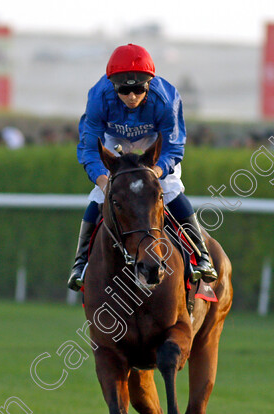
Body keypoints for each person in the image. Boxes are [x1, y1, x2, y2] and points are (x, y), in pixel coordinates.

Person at [67, 43, 217, 291]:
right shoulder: (98, 97)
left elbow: (173, 146)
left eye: (138, 89)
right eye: (124, 91)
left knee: (169, 190)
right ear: (112, 85)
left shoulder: (166, 100)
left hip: (153, 139)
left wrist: (156, 173)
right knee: (98, 195)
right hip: (113, 139)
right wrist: (104, 181)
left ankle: (202, 256)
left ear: (149, 83)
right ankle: (80, 262)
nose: (132, 97)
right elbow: (89, 148)